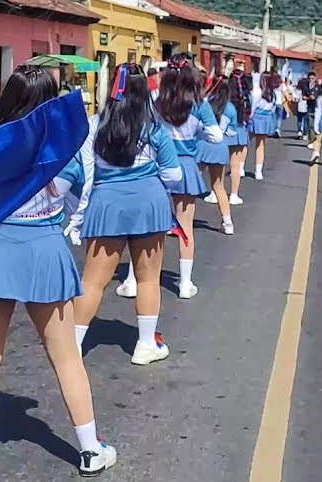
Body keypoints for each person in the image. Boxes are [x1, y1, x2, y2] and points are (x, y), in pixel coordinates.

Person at [0, 66, 115, 482]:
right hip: (45, 252)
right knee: (66, 358)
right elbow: (82, 197)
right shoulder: (66, 149)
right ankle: (90, 449)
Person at [69, 63, 182, 366]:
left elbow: (85, 173)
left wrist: (77, 215)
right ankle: (145, 345)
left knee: (92, 281)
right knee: (148, 279)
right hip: (150, 205)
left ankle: (73, 346)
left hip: (107, 206)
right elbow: (173, 175)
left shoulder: (94, 125)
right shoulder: (154, 128)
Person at [118, 55, 222, 301]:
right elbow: (216, 137)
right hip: (185, 166)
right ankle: (185, 284)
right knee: (186, 227)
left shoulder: (155, 100)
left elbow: (143, 126)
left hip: (156, 164)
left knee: (146, 228)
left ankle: (133, 280)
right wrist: (197, 136)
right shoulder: (200, 104)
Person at [198, 73, 237, 234]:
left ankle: (179, 220)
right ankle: (228, 223)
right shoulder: (231, 108)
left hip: (203, 145)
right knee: (218, 185)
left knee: (189, 186)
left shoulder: (205, 103)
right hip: (220, 148)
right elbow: (232, 132)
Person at [226, 70, 252, 204]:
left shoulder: (225, 96)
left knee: (218, 165)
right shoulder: (247, 97)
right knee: (235, 165)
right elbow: (250, 114)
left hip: (224, 131)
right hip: (240, 130)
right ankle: (233, 195)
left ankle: (214, 192)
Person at [248, 72, 279, 180]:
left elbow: (252, 107)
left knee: (245, 143)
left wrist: (248, 118)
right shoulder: (273, 94)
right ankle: (258, 171)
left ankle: (241, 167)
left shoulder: (257, 92)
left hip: (255, 118)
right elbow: (273, 108)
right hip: (266, 119)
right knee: (260, 146)